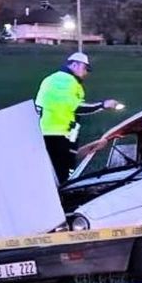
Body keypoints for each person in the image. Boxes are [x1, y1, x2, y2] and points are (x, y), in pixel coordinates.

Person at [34, 52, 121, 185]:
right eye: (85, 68)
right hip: (58, 134)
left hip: (55, 133)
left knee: (59, 172)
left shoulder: (57, 80)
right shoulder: (64, 81)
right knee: (63, 176)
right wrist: (102, 105)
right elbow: (75, 107)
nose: (86, 73)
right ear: (74, 64)